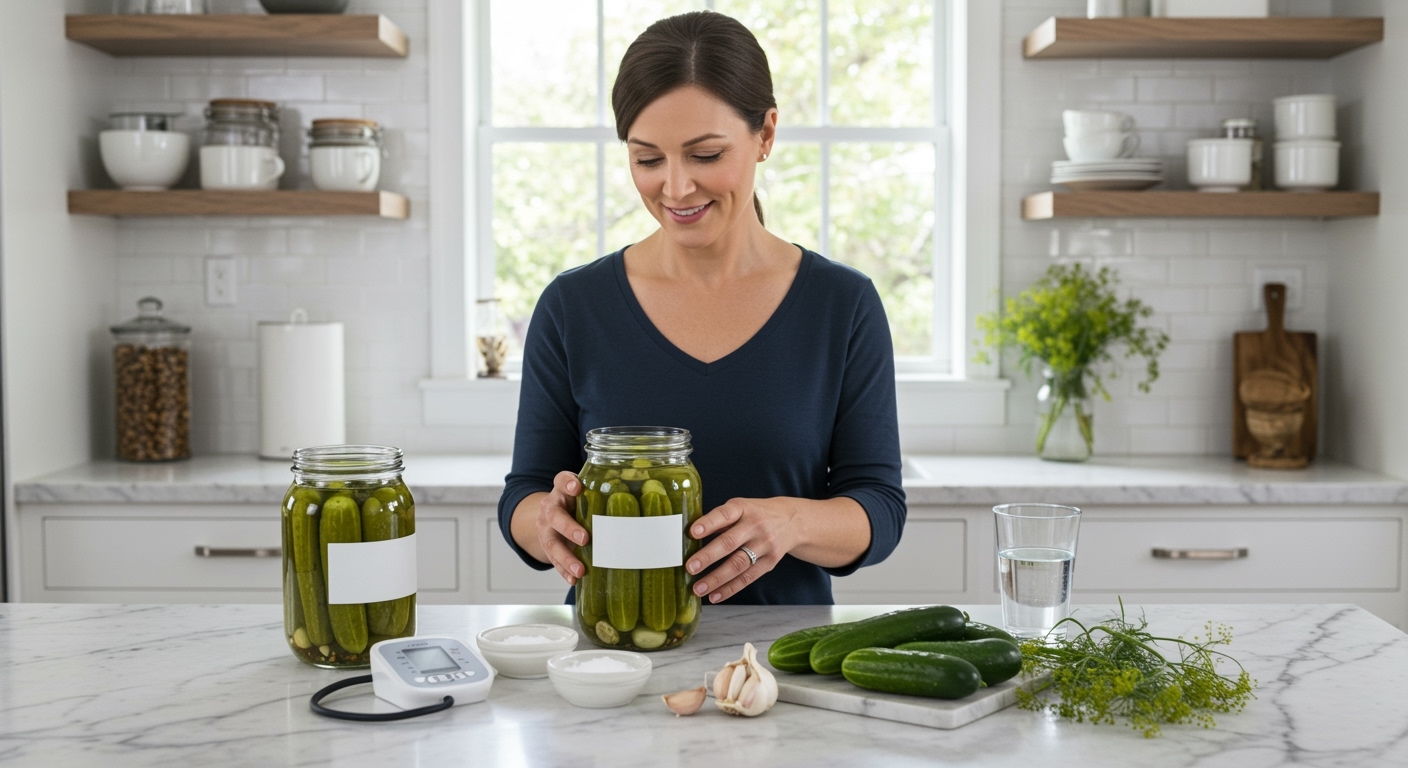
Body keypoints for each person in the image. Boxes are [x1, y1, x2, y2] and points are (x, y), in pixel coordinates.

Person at [497, 10, 905, 606]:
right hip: (615, 663)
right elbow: (525, 492)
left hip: (781, 666)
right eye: (648, 159)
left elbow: (879, 508)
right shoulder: (572, 306)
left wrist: (792, 523)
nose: (677, 188)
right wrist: (543, 521)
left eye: (706, 155)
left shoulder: (841, 305)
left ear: (765, 134)